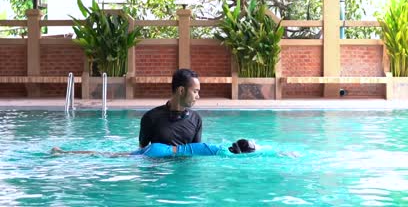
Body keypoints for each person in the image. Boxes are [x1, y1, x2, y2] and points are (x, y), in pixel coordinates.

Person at [139, 69, 202, 147]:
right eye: (195, 91)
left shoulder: (196, 119)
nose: (198, 96)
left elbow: (196, 152)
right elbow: (142, 151)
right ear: (181, 90)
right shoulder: (151, 117)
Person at [50, 139, 256, 158]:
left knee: (112, 154)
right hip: (160, 154)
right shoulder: (225, 155)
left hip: (160, 147)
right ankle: (63, 153)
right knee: (114, 156)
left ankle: (64, 152)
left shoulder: (219, 146)